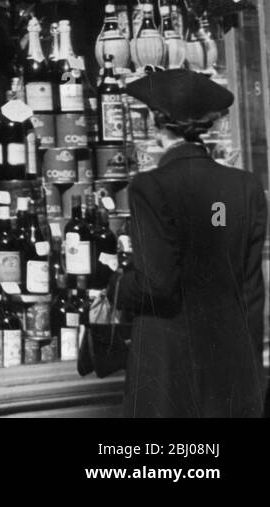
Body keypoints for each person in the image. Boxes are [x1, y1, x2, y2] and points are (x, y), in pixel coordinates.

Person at [110, 67, 266, 418]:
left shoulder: (150, 186)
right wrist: (251, 368)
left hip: (168, 370)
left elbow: (157, 283)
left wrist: (116, 286)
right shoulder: (244, 187)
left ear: (156, 121)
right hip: (230, 367)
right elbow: (252, 290)